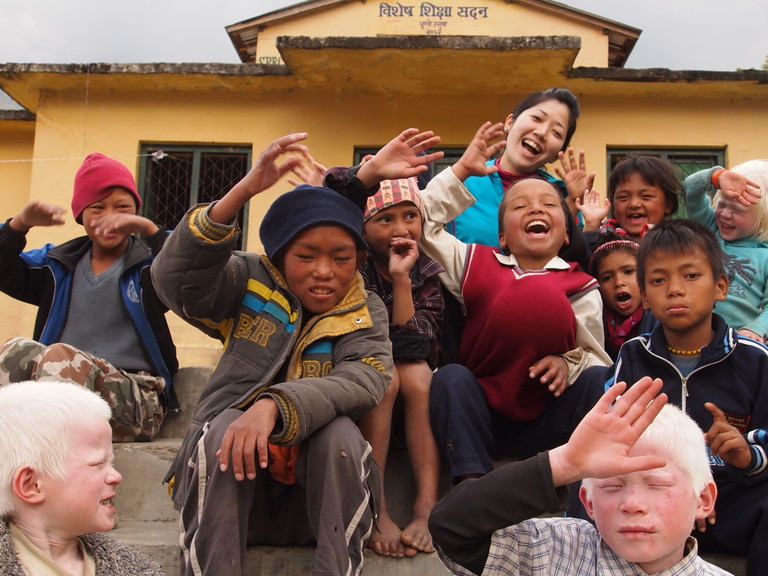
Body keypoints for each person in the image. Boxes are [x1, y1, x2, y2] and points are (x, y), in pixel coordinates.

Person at [149, 129, 442, 576]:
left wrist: (275, 405)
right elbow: (176, 280)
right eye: (306, 255)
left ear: (359, 260)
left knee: (341, 436)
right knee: (224, 422)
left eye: (341, 258)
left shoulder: (365, 309)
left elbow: (366, 379)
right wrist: (243, 191)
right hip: (233, 504)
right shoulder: (248, 281)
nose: (325, 271)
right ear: (281, 255)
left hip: (317, 508)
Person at [419, 121, 611, 483]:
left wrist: (565, 364)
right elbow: (423, 223)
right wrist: (459, 172)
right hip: (483, 418)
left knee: (599, 379)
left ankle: (580, 485)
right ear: (503, 236)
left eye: (548, 205)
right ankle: (471, 489)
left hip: (548, 424)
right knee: (450, 378)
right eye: (519, 206)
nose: (535, 210)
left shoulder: (582, 285)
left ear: (567, 232)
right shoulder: (475, 262)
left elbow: (594, 357)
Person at [577, 219, 768, 576]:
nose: (675, 290)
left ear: (721, 286)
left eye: (691, 276)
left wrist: (746, 455)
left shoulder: (753, 360)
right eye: (659, 280)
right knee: (586, 474)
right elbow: (612, 436)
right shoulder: (634, 356)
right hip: (647, 503)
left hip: (726, 504)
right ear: (646, 297)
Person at [428, 376, 734, 576]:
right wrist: (563, 464)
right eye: (612, 486)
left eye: (657, 484)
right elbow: (452, 528)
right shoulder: (551, 550)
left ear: (703, 500)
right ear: (587, 502)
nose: (632, 503)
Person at [0, 153, 178, 442]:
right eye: (97, 208)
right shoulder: (57, 265)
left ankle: (46, 449)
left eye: (122, 208)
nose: (110, 217)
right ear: (80, 215)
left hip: (136, 398)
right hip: (57, 389)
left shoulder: (150, 267)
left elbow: (191, 263)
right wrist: (19, 224)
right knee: (16, 349)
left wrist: (150, 231)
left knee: (60, 355)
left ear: (136, 211)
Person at [356, 177, 443, 558]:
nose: (401, 228)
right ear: (363, 228)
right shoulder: (351, 266)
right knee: (385, 378)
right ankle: (378, 509)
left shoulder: (426, 272)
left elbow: (413, 345)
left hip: (411, 366)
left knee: (418, 376)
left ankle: (426, 510)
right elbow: (364, 342)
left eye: (410, 216)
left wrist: (401, 278)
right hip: (362, 368)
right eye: (385, 219)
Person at [0, 379, 164, 575]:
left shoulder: (137, 569)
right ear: (31, 485)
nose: (116, 476)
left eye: (112, 463)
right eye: (97, 464)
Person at [447, 87, 590, 268]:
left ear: (557, 154)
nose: (542, 133)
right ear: (510, 122)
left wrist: (570, 203)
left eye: (556, 133)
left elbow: (572, 263)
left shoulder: (564, 195)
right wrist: (458, 172)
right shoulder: (465, 179)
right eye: (537, 118)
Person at [684, 160, 767, 342]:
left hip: (738, 342)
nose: (725, 214)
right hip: (692, 337)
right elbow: (690, 189)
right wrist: (717, 176)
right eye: (722, 204)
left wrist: (755, 330)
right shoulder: (709, 229)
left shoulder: (765, 256)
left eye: (737, 210)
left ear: (762, 218)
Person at [582, 154, 680, 253]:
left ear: (668, 204)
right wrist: (591, 225)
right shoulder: (603, 238)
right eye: (623, 197)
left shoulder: (678, 243)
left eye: (646, 196)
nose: (634, 204)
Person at [588, 235, 657, 360]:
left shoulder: (660, 318)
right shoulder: (595, 321)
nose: (619, 282)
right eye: (607, 278)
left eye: (628, 272)